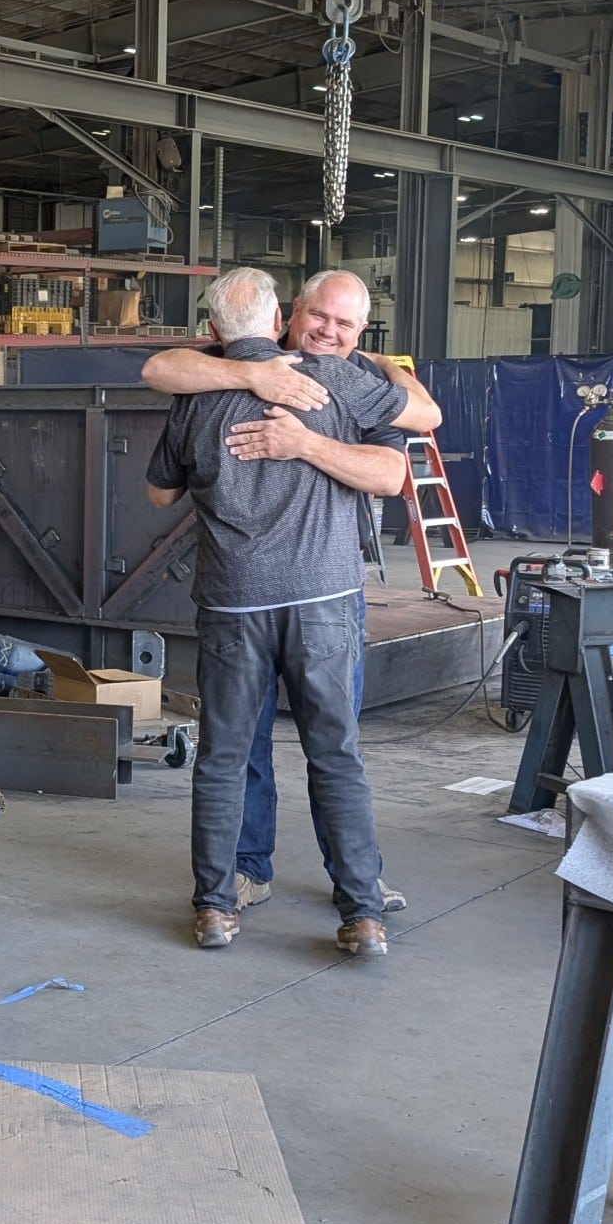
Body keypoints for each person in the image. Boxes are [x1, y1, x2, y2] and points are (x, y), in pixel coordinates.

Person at [145, 271, 440, 914]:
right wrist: (250, 375)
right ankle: (337, 891)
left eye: (344, 326)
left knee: (247, 751)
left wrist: (305, 443)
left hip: (257, 598)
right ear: (287, 313)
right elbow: (159, 366)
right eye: (319, 318)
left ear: (361, 334)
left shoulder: (356, 376)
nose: (327, 332)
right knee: (315, 749)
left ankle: (243, 893)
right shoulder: (246, 372)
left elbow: (395, 468)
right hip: (314, 599)